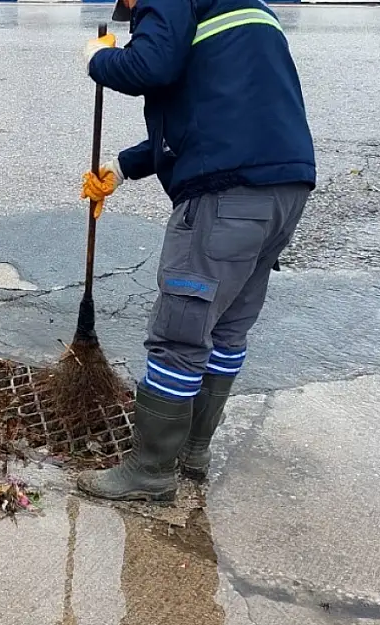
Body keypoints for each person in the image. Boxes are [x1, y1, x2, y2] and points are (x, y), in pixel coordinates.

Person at [75, 0, 315, 500]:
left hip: (224, 195)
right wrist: (121, 169)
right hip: (283, 189)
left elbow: (151, 67)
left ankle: (151, 471)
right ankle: (192, 453)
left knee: (180, 332)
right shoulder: (245, 7)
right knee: (226, 329)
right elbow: (209, 115)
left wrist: (98, 59)